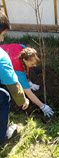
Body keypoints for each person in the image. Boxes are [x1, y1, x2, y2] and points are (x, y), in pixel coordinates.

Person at [0, 43, 54, 117]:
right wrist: (43, 106)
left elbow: (26, 68)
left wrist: (29, 83)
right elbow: (28, 93)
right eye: (32, 64)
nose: (34, 66)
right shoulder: (19, 72)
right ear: (24, 60)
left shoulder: (24, 50)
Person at [0, 11, 29, 144]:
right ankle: (3, 134)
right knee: (4, 97)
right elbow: (12, 83)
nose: (2, 40)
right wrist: (23, 101)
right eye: (3, 35)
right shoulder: (2, 57)